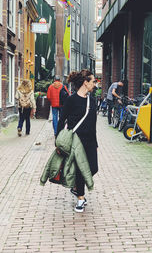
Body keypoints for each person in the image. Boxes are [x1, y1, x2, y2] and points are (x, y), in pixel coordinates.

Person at [56, 69, 98, 213]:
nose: (95, 84)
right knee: (80, 170)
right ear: (85, 83)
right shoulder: (71, 100)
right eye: (93, 81)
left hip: (90, 141)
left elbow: (93, 123)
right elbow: (61, 121)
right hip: (76, 141)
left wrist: (96, 142)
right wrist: (58, 140)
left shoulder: (92, 101)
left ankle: (75, 188)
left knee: (93, 168)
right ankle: (80, 198)